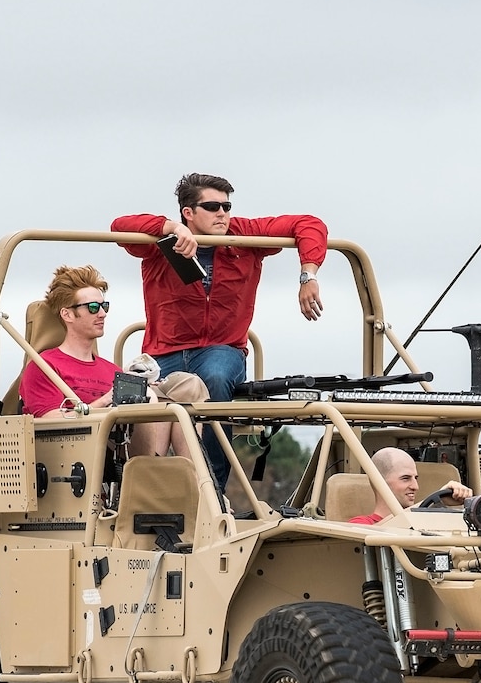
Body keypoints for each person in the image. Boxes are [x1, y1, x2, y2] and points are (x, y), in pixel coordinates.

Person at [113, 173, 328, 490]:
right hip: (163, 352)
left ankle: (211, 491)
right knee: (140, 395)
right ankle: (142, 493)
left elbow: (309, 224)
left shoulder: (247, 236)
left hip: (220, 349)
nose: (223, 213)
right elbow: (120, 226)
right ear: (188, 212)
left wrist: (307, 274)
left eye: (227, 206)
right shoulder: (161, 242)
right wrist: (171, 229)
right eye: (213, 206)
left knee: (213, 377)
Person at [18, 265, 202, 458]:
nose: (102, 314)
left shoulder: (112, 371)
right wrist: (105, 401)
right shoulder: (44, 368)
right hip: (84, 458)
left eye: (103, 306)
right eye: (93, 308)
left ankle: (195, 482)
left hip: (131, 452)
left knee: (188, 386)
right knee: (142, 399)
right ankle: (152, 473)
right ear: (68, 314)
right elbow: (47, 421)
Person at [349, 447, 470, 525]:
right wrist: (433, 502)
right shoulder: (360, 524)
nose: (415, 486)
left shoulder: (424, 524)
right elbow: (381, 532)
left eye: (415, 478)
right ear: (379, 482)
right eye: (405, 478)